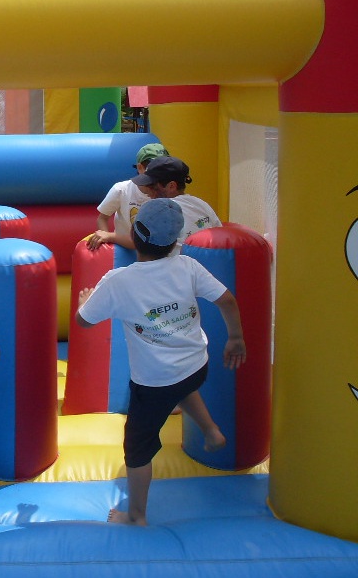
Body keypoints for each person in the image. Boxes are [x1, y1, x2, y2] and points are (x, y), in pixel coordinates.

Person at [75, 198, 246, 527]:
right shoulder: (188, 266)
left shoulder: (118, 280)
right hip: (197, 365)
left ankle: (136, 515)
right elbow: (227, 299)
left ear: (134, 236)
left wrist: (86, 300)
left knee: (136, 449)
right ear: (175, 241)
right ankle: (211, 432)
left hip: (154, 383)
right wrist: (236, 339)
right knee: (182, 385)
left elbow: (83, 322)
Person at [87, 142, 169, 251]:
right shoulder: (122, 189)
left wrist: (110, 236)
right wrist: (105, 241)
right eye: (154, 168)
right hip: (124, 249)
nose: (159, 174)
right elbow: (102, 218)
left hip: (152, 251)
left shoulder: (167, 192)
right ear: (140, 167)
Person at [130, 156, 221, 251]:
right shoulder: (202, 205)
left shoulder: (159, 211)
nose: (148, 192)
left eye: (152, 186)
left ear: (171, 186)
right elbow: (219, 237)